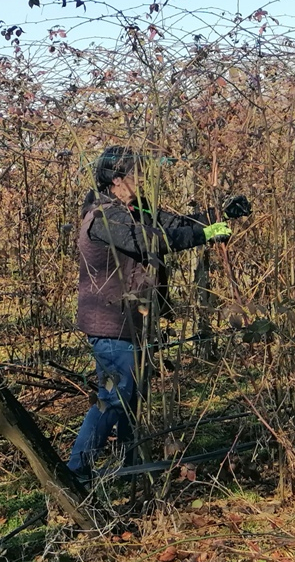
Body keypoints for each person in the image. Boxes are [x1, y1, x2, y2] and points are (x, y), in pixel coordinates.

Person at [68, 146, 252, 480]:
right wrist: (202, 235)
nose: (145, 179)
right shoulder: (103, 217)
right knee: (116, 396)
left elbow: (177, 224)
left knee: (131, 395)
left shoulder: (134, 210)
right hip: (110, 323)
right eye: (137, 173)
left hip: (131, 323)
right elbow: (150, 242)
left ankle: (128, 465)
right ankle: (76, 470)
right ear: (117, 180)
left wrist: (220, 213)